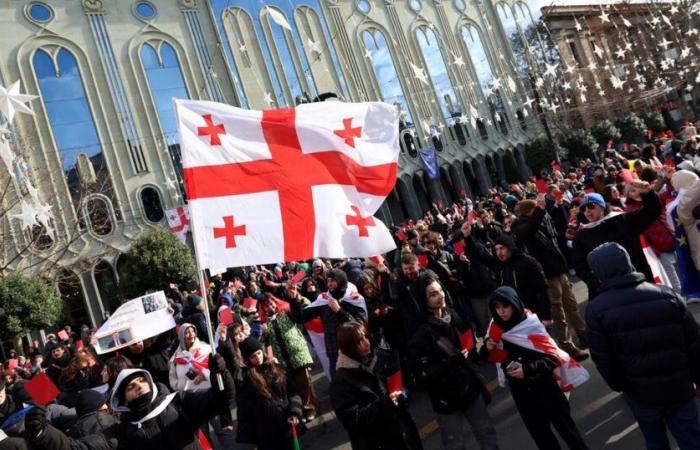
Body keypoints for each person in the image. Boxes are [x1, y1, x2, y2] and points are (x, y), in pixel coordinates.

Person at [586, 243, 700, 450]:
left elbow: (603, 358)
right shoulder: (667, 295)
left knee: (655, 441)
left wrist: (620, 385)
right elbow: (694, 342)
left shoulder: (596, 310)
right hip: (679, 386)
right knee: (691, 439)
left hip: (640, 392)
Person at [25, 355, 235, 450]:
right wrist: (42, 433)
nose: (137, 386)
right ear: (123, 398)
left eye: (141, 381)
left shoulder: (177, 402)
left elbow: (220, 400)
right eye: (130, 387)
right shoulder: (122, 431)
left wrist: (220, 374)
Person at [486, 286, 588, 450]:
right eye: (497, 307)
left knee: (569, 433)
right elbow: (488, 357)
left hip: (546, 389)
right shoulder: (495, 328)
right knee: (542, 438)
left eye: (505, 306)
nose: (501, 312)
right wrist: (486, 348)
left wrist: (527, 369)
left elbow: (551, 357)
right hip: (522, 394)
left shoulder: (530, 324)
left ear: (514, 304)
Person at [409, 273, 499, 450]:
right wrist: (454, 361)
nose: (440, 296)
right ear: (423, 300)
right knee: (455, 444)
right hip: (446, 401)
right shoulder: (420, 336)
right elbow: (424, 376)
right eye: (433, 294)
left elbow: (469, 345)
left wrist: (479, 351)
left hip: (470, 389)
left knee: (486, 433)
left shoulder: (453, 315)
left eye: (440, 290)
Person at [512, 197, 588, 356]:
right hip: (547, 274)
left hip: (559, 270)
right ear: (529, 212)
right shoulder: (520, 225)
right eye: (536, 209)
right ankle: (567, 345)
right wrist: (538, 211)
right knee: (558, 312)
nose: (541, 211)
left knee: (572, 305)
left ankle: (583, 333)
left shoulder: (540, 220)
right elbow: (527, 231)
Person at [331, 321, 423, 450]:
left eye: (365, 337)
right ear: (348, 347)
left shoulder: (383, 358)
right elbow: (352, 420)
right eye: (359, 341)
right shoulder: (341, 382)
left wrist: (403, 394)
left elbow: (405, 385)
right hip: (377, 442)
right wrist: (386, 402)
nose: (366, 343)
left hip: (405, 434)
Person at [572, 183, 661, 299]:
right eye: (583, 209)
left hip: (637, 280)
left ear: (602, 206)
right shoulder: (581, 236)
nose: (587, 211)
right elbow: (579, 265)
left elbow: (652, 211)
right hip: (608, 290)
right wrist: (596, 282)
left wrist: (648, 194)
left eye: (591, 206)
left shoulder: (623, 220)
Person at [235, 337, 303, 450]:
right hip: (267, 434)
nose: (258, 358)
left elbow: (293, 393)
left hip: (287, 424)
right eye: (253, 356)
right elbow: (245, 409)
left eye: (258, 353)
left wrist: (295, 412)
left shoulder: (276, 368)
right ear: (247, 359)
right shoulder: (246, 379)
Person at [262, 289, 317, 422]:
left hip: (297, 354)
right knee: (294, 386)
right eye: (266, 305)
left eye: (271, 303)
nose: (270, 306)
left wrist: (295, 298)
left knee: (305, 382)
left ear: (275, 303)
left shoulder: (286, 312)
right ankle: (301, 408)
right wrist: (262, 332)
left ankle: (310, 408)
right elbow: (266, 344)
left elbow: (298, 314)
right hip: (282, 359)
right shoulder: (264, 324)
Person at [302, 269, 366, 378]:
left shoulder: (353, 298)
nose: (329, 284)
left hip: (353, 353)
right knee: (339, 391)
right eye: (328, 281)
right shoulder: (324, 300)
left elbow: (359, 326)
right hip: (334, 356)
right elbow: (302, 317)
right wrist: (294, 299)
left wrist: (340, 311)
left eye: (333, 280)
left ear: (340, 281)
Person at [169, 323, 212, 392]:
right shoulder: (176, 358)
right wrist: (183, 385)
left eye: (192, 331)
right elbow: (172, 379)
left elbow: (215, 366)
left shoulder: (206, 348)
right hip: (190, 396)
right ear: (181, 336)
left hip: (208, 391)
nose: (191, 334)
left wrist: (205, 375)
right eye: (187, 332)